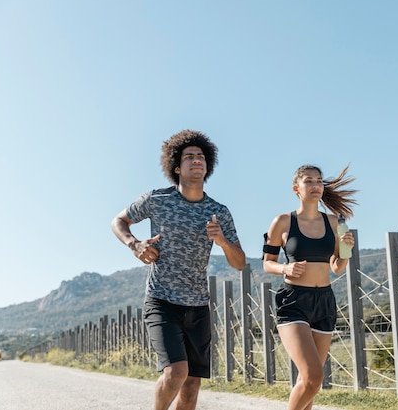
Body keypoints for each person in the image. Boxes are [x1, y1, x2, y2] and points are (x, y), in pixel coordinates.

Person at [111, 129, 246, 410]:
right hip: (162, 300)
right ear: (176, 166)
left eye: (200, 156)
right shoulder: (157, 199)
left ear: (207, 165)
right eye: (189, 157)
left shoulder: (219, 212)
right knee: (176, 373)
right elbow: (118, 221)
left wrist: (222, 241)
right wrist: (134, 244)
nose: (196, 160)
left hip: (198, 305)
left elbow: (240, 262)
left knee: (192, 387)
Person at [262, 164, 357, 410]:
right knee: (314, 378)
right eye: (308, 181)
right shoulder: (282, 222)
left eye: (319, 181)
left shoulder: (335, 222)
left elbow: (337, 267)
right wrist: (285, 268)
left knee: (309, 385)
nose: (315, 185)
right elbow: (267, 264)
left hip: (324, 301)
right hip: (293, 301)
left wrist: (347, 249)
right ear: (297, 188)